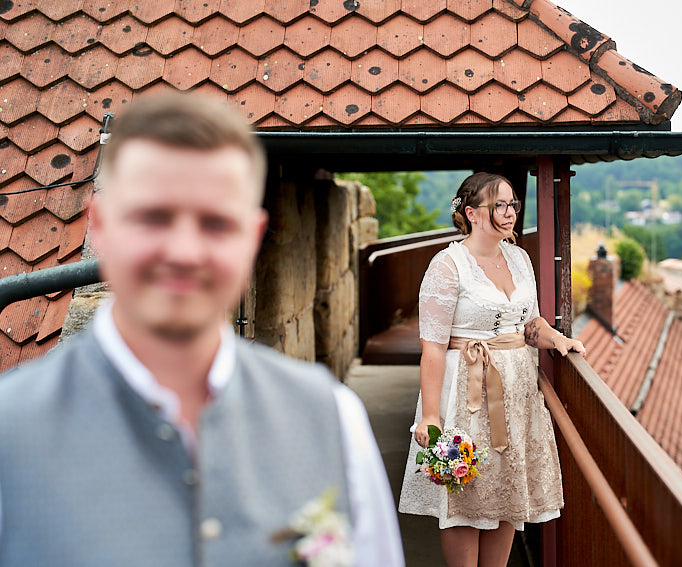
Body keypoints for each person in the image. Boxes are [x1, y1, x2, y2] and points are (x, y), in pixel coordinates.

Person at [0, 93, 403, 567]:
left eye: (215, 223)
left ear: (252, 238)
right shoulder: (11, 428)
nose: (185, 251)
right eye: (155, 217)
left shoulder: (333, 416)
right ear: (101, 226)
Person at [397, 172, 586, 566]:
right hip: (467, 393)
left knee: (506, 493)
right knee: (465, 494)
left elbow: (530, 325)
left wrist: (560, 340)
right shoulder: (448, 266)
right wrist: (430, 417)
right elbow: (432, 348)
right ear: (471, 213)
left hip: (517, 394)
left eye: (512, 204)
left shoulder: (519, 258)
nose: (509, 212)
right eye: (498, 204)